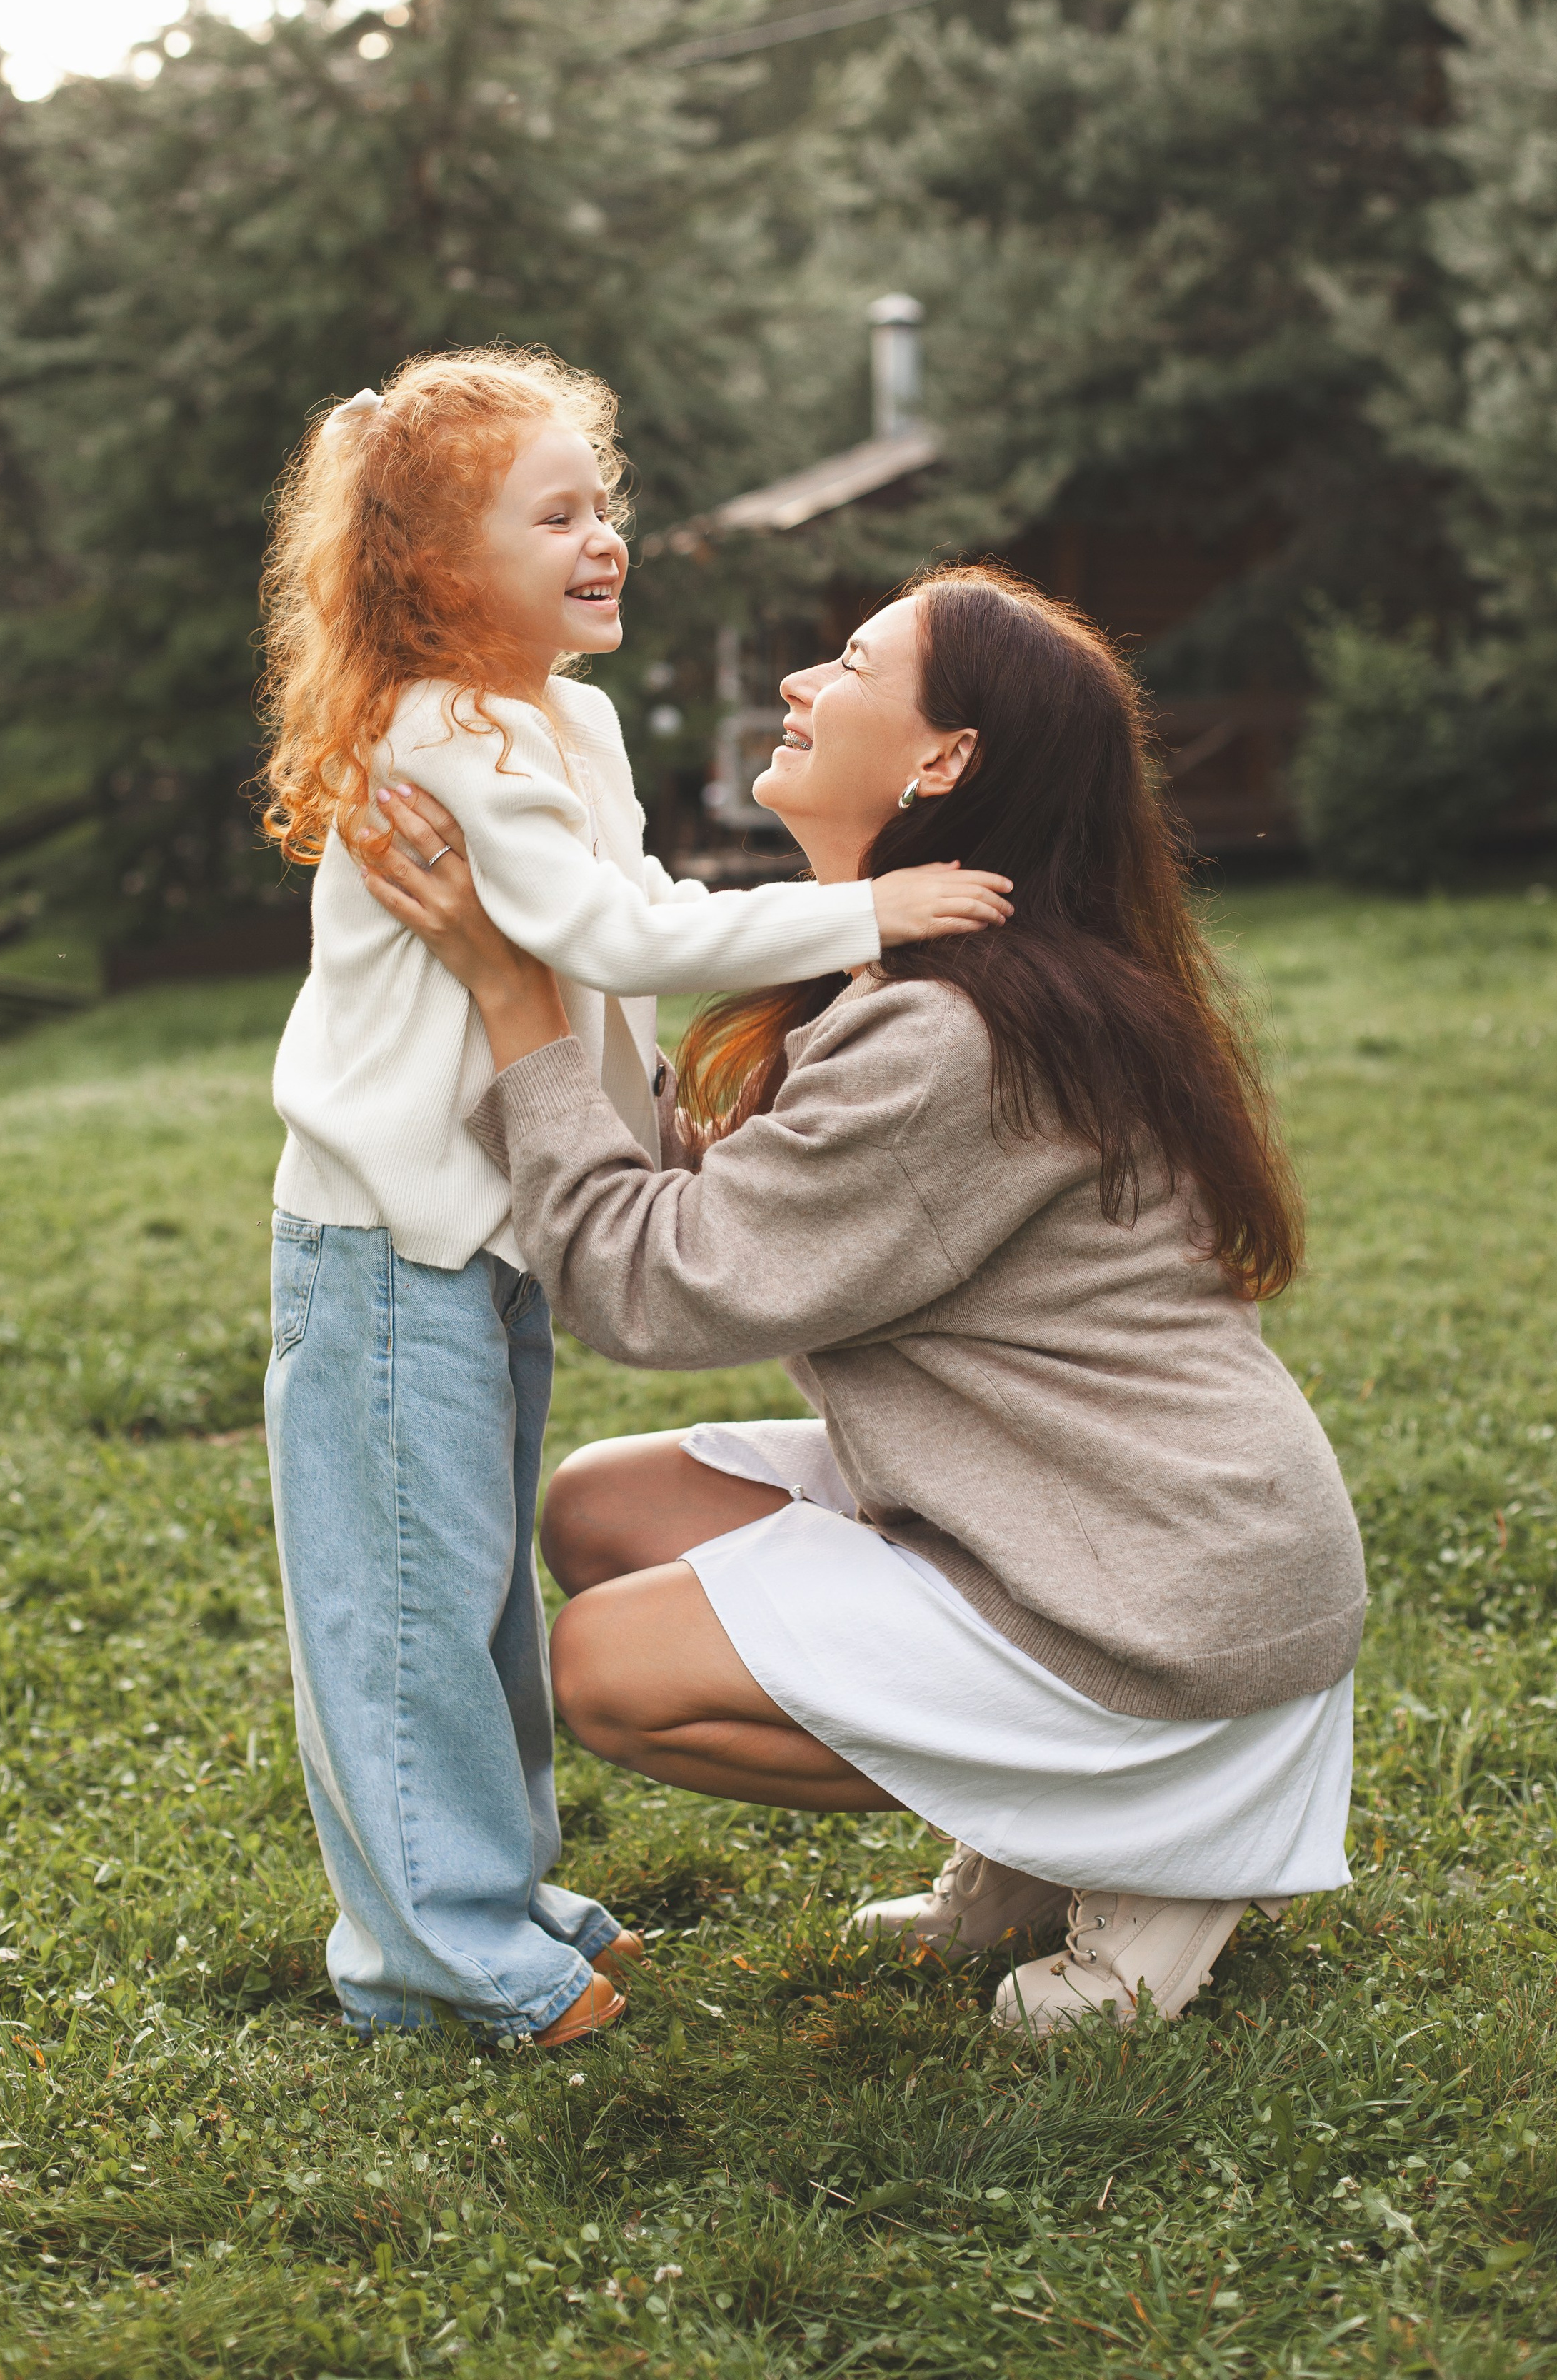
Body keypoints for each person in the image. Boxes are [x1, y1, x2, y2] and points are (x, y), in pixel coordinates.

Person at [364, 562, 1367, 2034]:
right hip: (1071, 1520)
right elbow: (736, 1198)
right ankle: (1038, 1836)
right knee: (597, 1512)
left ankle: (1148, 1839)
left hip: (1171, 1607)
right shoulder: (932, 979)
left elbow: (658, 1285)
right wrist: (580, 958)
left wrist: (515, 1006)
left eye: (846, 663)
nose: (797, 684)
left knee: (610, 1670)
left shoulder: (954, 1037)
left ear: (943, 760)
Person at [256, 350, 1011, 2049]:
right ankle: (428, 1956)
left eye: (602, 504)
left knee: (468, 1592)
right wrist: (869, 913)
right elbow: (614, 938)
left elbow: (630, 926)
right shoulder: (442, 738)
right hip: (388, 1247)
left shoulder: (565, 720)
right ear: (435, 571)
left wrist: (643, 1095)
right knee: (400, 1612)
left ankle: (495, 1887)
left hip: (487, 1236)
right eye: (554, 515)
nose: (602, 538)